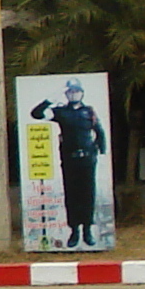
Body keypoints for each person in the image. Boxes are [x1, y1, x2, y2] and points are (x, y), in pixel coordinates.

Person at [29, 80, 108, 250]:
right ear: (66, 94)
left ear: (82, 93)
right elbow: (36, 114)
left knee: (88, 194)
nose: (73, 94)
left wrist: (102, 152)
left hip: (87, 159)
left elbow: (99, 131)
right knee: (71, 194)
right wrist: (50, 99)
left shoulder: (89, 111)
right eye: (70, 92)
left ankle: (87, 229)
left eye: (76, 91)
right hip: (69, 159)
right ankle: (74, 230)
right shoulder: (60, 112)